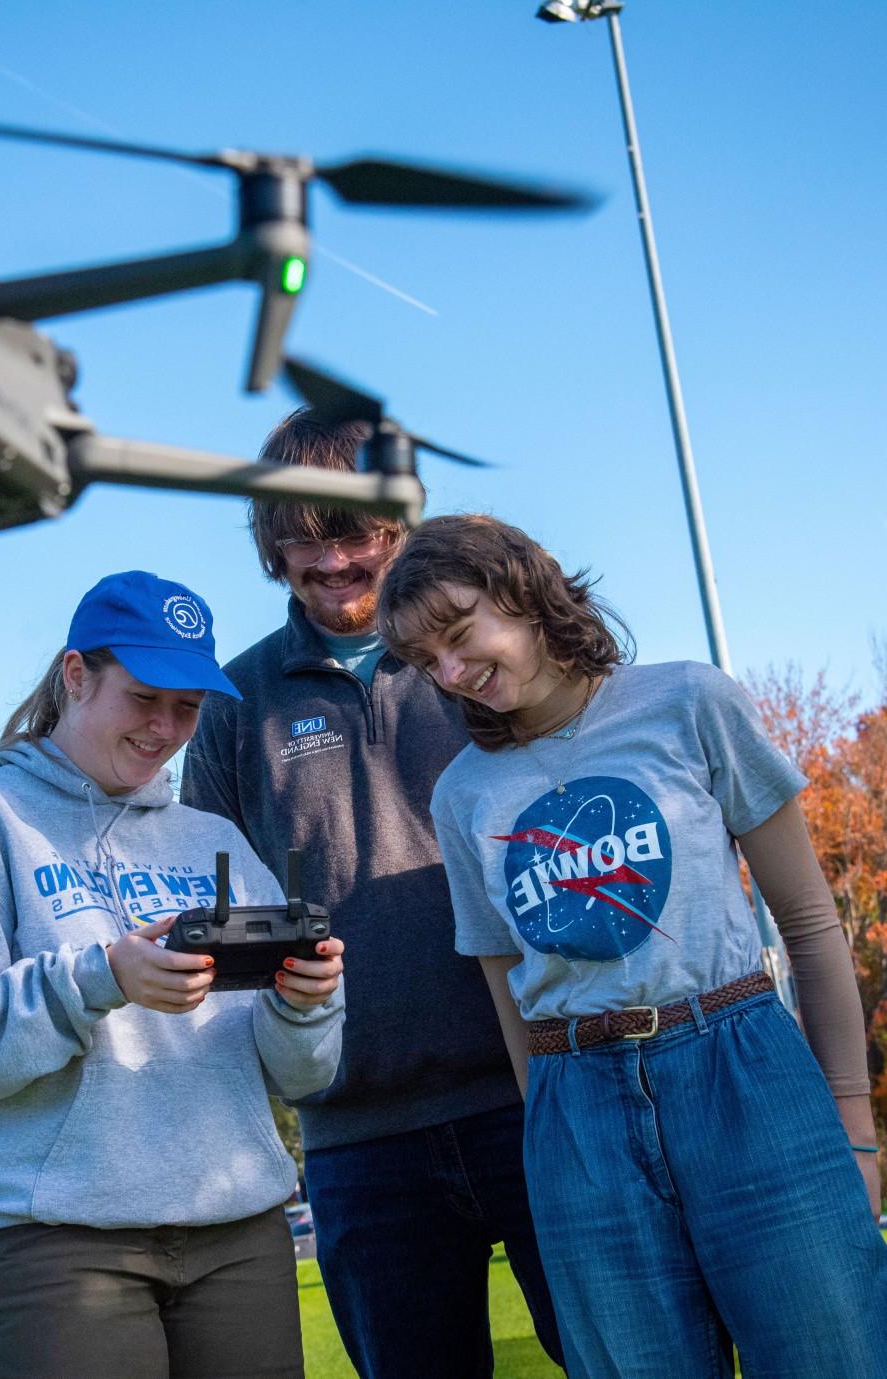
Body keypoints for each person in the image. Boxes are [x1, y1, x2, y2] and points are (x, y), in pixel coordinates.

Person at [376, 512, 887, 1379]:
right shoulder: (464, 793)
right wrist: (553, 1137)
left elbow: (806, 919)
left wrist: (854, 1119)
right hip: (578, 1107)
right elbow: (509, 991)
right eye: (429, 663)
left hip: (743, 1065)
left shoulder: (690, 700)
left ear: (524, 589)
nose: (454, 674)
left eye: (461, 635)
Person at [181, 413, 564, 1379]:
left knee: (621, 1354)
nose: (335, 559)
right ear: (272, 544)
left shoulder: (480, 659)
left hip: (538, 1093)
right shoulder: (231, 708)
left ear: (401, 525)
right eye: (305, 536)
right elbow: (212, 905)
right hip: (358, 1138)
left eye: (355, 531)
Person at [0, 570, 345, 1379]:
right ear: (76, 674)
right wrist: (100, 976)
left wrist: (305, 1005)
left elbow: (301, 1074)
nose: (166, 726)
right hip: (55, 1238)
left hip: (238, 1227)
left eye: (188, 706)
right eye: (145, 696)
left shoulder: (217, 841)